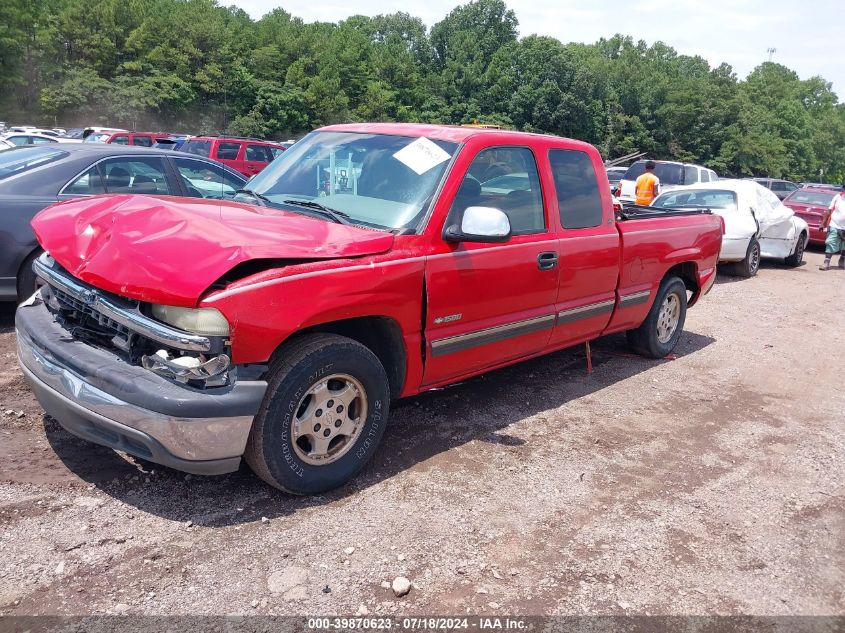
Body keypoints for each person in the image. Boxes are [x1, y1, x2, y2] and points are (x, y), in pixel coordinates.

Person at [818, 187, 845, 270]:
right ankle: (826, 262)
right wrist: (823, 223)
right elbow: (829, 210)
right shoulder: (838, 197)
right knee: (830, 242)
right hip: (834, 224)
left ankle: (842, 259)